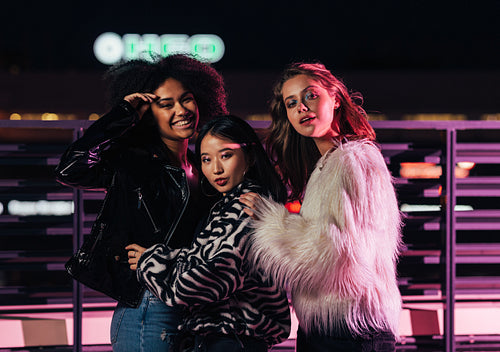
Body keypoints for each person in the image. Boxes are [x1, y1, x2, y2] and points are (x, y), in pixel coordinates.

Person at [55, 54, 227, 352]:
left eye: (186, 99)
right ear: (149, 113)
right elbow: (71, 168)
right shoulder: (135, 162)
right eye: (166, 104)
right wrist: (123, 113)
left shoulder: (203, 167)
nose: (181, 110)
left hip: (191, 309)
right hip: (149, 308)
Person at [239, 62, 403, 352]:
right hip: (330, 327)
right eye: (291, 103)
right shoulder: (329, 164)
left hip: (349, 332)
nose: (301, 107)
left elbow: (334, 253)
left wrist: (269, 220)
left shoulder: (352, 160)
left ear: (336, 98)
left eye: (310, 95)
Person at [134, 115, 292, 352]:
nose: (215, 168)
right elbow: (206, 261)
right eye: (206, 159)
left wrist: (149, 261)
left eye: (226, 155)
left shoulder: (247, 208)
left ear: (249, 157)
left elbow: (207, 279)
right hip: (224, 339)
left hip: (230, 339)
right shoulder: (227, 206)